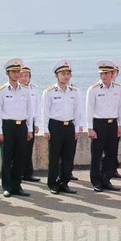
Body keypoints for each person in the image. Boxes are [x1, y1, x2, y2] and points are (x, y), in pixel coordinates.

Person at [0, 58, 33, 198]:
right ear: (7, 73)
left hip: (21, 126)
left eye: (18, 71)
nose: (16, 74)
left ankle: (17, 185)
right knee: (7, 158)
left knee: (20, 157)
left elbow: (29, 111)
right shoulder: (1, 91)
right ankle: (6, 186)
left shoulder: (25, 90)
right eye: (13, 72)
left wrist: (29, 129)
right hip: (7, 127)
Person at [42, 60, 83, 195]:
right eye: (63, 73)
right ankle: (52, 183)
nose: (66, 76)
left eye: (68, 73)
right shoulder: (49, 92)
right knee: (54, 157)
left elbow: (78, 112)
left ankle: (64, 183)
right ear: (56, 75)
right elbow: (45, 112)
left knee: (68, 158)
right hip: (55, 126)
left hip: (69, 127)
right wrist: (46, 129)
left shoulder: (75, 92)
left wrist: (77, 128)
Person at [86, 60, 121, 192]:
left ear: (112, 73)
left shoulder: (119, 88)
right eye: (102, 73)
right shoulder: (94, 89)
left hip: (112, 124)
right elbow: (89, 110)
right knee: (96, 154)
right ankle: (96, 181)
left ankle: (106, 179)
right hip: (99, 124)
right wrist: (90, 128)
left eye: (107, 73)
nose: (104, 76)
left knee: (111, 154)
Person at [19, 63, 41, 182]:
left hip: (31, 122)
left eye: (26, 75)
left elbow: (36, 107)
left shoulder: (34, 89)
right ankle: (19, 173)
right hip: (21, 122)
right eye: (22, 75)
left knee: (29, 149)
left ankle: (28, 173)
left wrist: (36, 123)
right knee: (19, 149)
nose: (24, 78)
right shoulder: (17, 89)